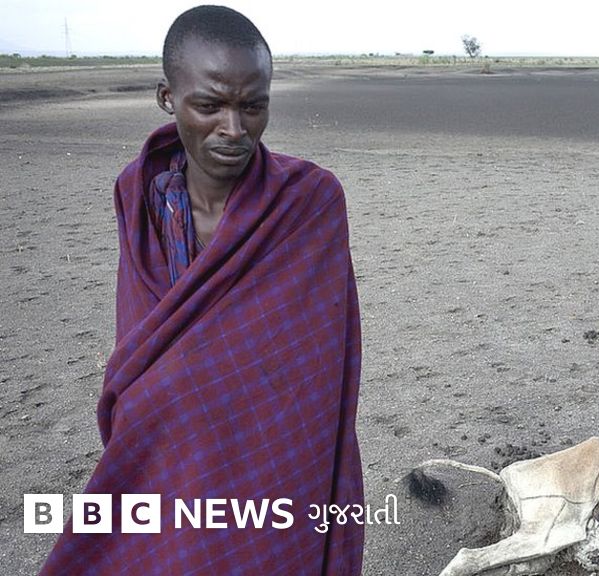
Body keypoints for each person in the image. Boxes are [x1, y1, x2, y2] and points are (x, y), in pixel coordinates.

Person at [40, 6, 363, 575]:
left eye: (253, 106)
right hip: (167, 435)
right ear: (168, 98)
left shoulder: (309, 200)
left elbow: (317, 362)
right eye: (210, 106)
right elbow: (143, 332)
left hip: (275, 445)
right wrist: (155, 399)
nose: (234, 128)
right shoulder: (140, 195)